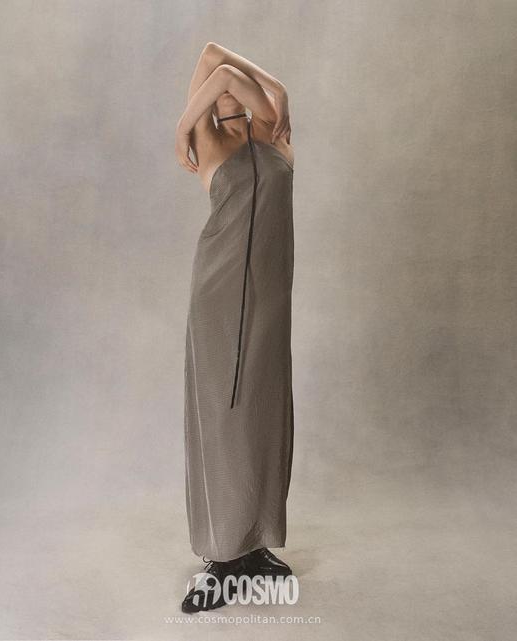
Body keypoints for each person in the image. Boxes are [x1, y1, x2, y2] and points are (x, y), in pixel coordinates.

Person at [175, 42, 295, 613]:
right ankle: (221, 556)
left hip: (270, 302)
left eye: (237, 93)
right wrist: (185, 123)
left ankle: (255, 543)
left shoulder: (273, 134)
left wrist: (279, 90)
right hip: (219, 298)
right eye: (215, 94)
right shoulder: (208, 142)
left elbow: (223, 66)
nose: (226, 91)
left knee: (263, 415)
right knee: (223, 419)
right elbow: (216, 64)